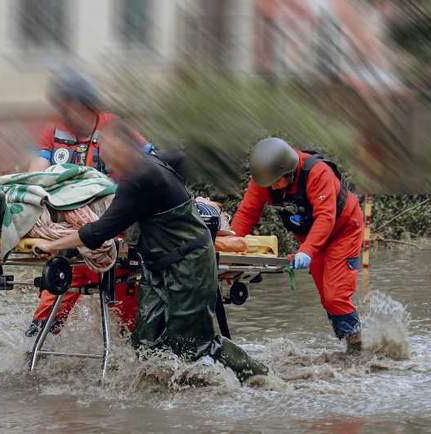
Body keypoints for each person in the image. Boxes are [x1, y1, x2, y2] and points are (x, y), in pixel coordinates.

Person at [32, 121, 269, 383]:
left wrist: (51, 245)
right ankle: (164, 390)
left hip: (189, 265)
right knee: (145, 341)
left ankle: (258, 378)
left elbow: (100, 231)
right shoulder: (153, 164)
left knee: (194, 344)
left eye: (109, 150)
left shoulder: (138, 178)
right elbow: (180, 159)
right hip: (157, 267)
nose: (104, 157)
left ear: (126, 148)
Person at [25, 67, 153, 337]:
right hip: (71, 238)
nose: (61, 111)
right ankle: (34, 352)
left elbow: (150, 166)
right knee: (49, 311)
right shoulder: (53, 133)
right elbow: (36, 174)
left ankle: (138, 354)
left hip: (112, 232)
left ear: (80, 102)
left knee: (127, 316)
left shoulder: (113, 128)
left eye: (64, 104)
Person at [230, 137, 364, 353]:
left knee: (335, 296)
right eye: (269, 183)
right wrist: (229, 245)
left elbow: (325, 217)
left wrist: (307, 251)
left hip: (343, 230)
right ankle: (346, 340)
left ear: (289, 172)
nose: (272, 187)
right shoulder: (266, 178)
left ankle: (356, 348)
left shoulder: (317, 173)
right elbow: (247, 213)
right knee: (326, 297)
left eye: (276, 182)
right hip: (311, 236)